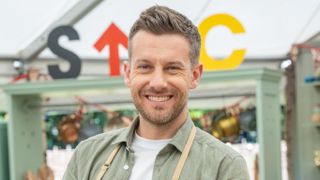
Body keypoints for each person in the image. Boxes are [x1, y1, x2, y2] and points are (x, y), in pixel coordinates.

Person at [63, 5, 250, 180]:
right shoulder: (87, 156)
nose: (158, 83)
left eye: (172, 68)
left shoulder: (224, 166)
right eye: (145, 67)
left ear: (194, 76)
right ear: (128, 73)